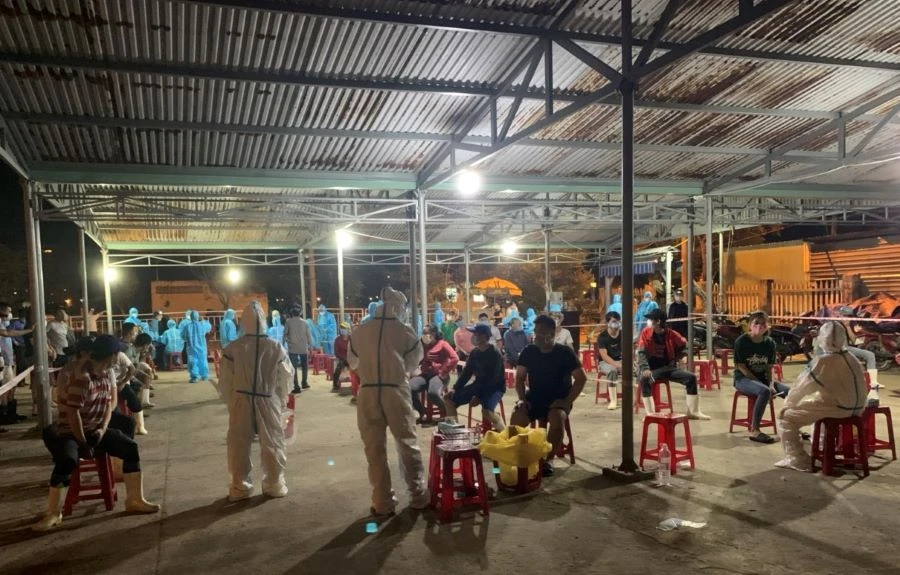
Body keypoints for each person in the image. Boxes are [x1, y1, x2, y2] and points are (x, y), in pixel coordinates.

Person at [32, 335, 159, 531]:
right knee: (67, 460)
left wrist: (102, 429)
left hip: (95, 429)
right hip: (71, 432)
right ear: (112, 355)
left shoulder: (105, 374)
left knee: (130, 448)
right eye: (117, 353)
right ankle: (54, 513)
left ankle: (134, 500)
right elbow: (73, 414)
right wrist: (83, 442)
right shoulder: (82, 378)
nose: (119, 357)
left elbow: (108, 405)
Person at [348, 287, 429, 516]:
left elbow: (353, 362)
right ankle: (418, 495)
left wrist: (371, 371)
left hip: (368, 392)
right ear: (400, 307)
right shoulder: (405, 331)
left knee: (374, 449)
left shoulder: (361, 331)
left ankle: (382, 502)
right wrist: (398, 371)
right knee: (407, 444)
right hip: (396, 392)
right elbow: (414, 360)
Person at [218, 302, 294, 500]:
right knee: (273, 442)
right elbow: (286, 376)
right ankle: (274, 484)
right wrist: (281, 399)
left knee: (239, 444)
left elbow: (225, 381)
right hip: (268, 399)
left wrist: (231, 401)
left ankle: (240, 486)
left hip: (241, 399)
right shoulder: (275, 347)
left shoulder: (233, 349)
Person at [776, 321, 868, 472]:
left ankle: (797, 459)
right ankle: (822, 449)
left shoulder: (823, 361)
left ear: (822, 338)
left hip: (839, 408)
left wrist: (788, 404)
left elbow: (801, 388)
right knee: (818, 409)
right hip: (858, 408)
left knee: (785, 417)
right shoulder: (852, 358)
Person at [510, 315, 587, 477]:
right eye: (535, 331)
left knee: (557, 418)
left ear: (552, 334)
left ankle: (548, 460)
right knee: (517, 417)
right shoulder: (529, 351)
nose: (536, 335)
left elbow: (581, 378)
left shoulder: (564, 353)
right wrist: (522, 399)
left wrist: (567, 401)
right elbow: (520, 378)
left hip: (558, 399)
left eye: (541, 332)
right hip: (534, 397)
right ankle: (516, 456)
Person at [637, 309, 710, 419]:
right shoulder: (645, 333)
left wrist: (680, 357)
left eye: (651, 319)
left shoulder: (671, 334)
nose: (649, 321)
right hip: (652, 369)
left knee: (691, 378)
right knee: (645, 378)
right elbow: (641, 352)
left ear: (658, 322)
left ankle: (693, 412)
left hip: (669, 368)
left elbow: (684, 345)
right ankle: (650, 414)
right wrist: (645, 368)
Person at [733, 311, 791, 444]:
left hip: (764, 379)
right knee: (764, 391)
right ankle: (755, 430)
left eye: (763, 324)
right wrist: (764, 386)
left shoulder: (769, 343)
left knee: (790, 392)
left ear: (767, 326)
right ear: (750, 325)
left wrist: (771, 384)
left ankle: (791, 426)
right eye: (756, 323)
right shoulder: (741, 341)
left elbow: (770, 368)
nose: (759, 326)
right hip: (743, 379)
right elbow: (741, 367)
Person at [443, 323, 506, 431]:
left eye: (476, 334)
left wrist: (478, 396)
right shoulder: (474, 353)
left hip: (495, 388)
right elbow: (466, 372)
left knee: (487, 411)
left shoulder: (495, 353)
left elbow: (493, 379)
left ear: (485, 337)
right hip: (478, 385)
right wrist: (455, 388)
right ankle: (454, 432)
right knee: (449, 400)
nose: (474, 336)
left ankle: (504, 432)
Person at [409, 324, 458, 422]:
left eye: (427, 333)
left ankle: (447, 412)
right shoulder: (423, 344)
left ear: (434, 333)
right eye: (423, 333)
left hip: (439, 375)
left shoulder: (443, 344)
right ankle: (422, 412)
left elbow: (455, 358)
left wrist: (443, 371)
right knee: (408, 388)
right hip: (425, 375)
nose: (425, 335)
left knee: (433, 393)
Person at [597, 311, 623, 410]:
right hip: (605, 362)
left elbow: (628, 351)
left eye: (617, 321)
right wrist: (617, 365)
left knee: (637, 369)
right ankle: (613, 400)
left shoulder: (623, 334)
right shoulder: (602, 337)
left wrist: (626, 363)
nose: (616, 324)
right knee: (612, 371)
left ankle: (635, 399)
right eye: (613, 321)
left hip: (620, 361)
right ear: (608, 323)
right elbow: (604, 356)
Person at [284, 306, 312, 393]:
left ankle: (296, 387)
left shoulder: (288, 322)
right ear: (300, 313)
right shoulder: (305, 322)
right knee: (305, 366)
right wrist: (310, 346)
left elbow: (284, 335)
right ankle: (304, 383)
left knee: (294, 368)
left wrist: (286, 343)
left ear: (292, 313)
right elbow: (309, 335)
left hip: (293, 348)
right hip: (303, 347)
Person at [181, 310, 211, 383]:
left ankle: (195, 376)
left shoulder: (187, 326)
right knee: (203, 360)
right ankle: (204, 375)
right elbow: (209, 327)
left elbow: (183, 336)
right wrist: (203, 320)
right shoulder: (202, 325)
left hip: (191, 347)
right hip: (202, 346)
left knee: (193, 361)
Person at [332, 322, 351, 392]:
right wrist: (344, 358)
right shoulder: (337, 339)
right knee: (338, 369)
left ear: (348, 330)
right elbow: (336, 352)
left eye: (344, 328)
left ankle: (358, 384)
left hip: (351, 358)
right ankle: (335, 385)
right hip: (341, 358)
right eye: (341, 328)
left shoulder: (351, 339)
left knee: (357, 369)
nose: (343, 330)